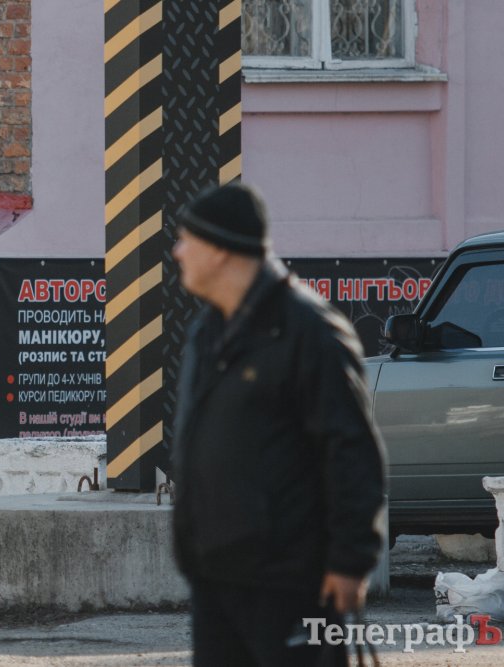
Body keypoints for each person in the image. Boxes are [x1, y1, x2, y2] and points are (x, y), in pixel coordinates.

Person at [170, 182, 386, 666]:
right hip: (215, 577)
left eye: (187, 240)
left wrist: (350, 560)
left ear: (221, 250)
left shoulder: (310, 331)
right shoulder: (207, 330)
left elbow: (352, 451)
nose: (177, 252)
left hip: (291, 581)